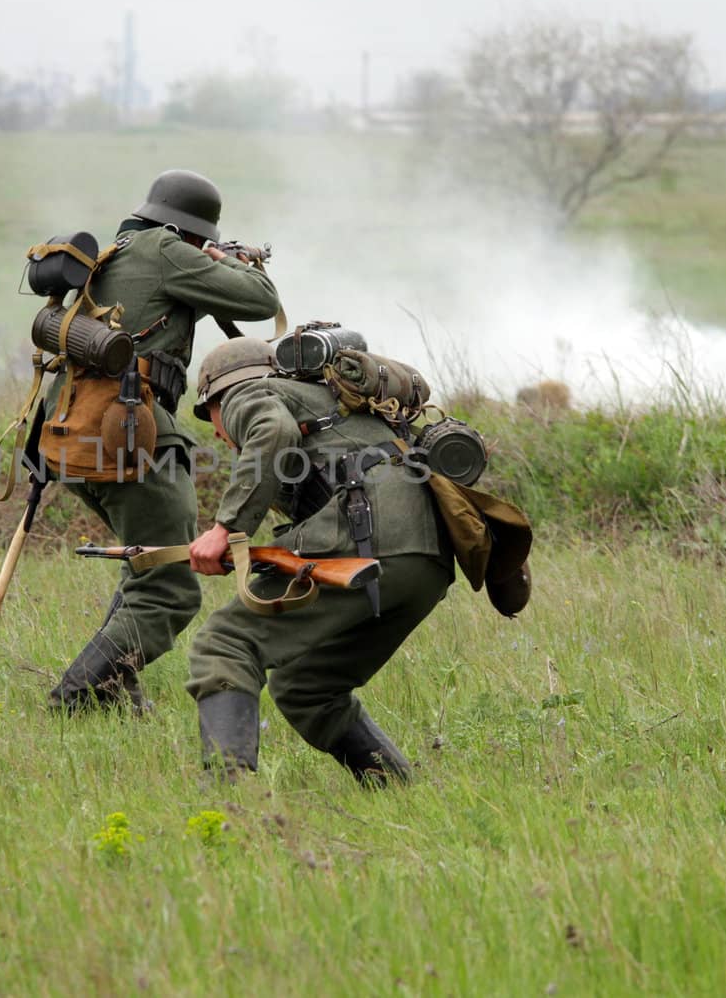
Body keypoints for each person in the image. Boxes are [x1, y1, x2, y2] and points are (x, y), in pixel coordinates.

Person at [47, 170, 281, 713]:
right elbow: (261, 299)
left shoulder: (120, 249)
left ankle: (114, 695)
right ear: (194, 230)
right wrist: (225, 262)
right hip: (124, 433)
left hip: (68, 433)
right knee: (170, 587)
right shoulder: (169, 251)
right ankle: (77, 696)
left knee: (146, 563)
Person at [181, 338, 458, 786]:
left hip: (369, 543)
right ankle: (399, 790)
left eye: (208, 412)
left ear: (221, 393)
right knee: (305, 687)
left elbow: (271, 432)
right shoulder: (338, 406)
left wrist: (225, 528)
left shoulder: (249, 394)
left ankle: (225, 795)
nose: (216, 430)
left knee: (224, 643)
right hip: (428, 562)